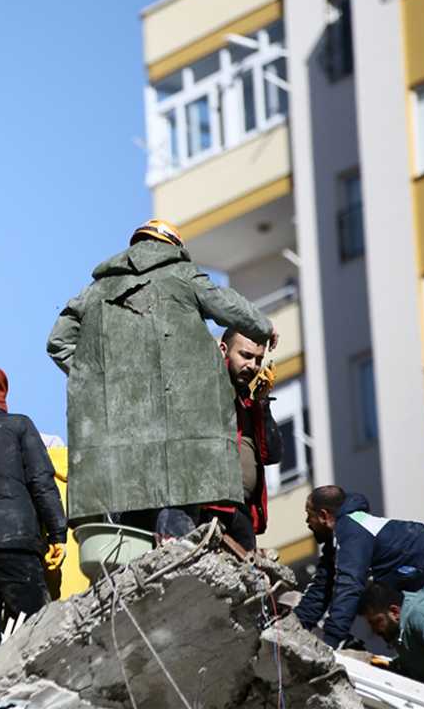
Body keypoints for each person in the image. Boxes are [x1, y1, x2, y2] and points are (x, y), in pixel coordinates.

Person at [46, 219, 275, 527]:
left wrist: (100, 379)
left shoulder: (96, 291)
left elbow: (58, 342)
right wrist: (263, 326)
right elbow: (226, 306)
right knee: (181, 512)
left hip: (125, 432)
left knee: (134, 516)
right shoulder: (184, 276)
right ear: (174, 248)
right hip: (186, 427)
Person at [0, 368, 68, 651]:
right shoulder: (18, 425)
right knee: (37, 631)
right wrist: (58, 534)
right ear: (1, 403)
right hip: (16, 541)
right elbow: (41, 482)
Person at [295, 485, 424, 648]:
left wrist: (330, 642)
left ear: (323, 515)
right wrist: (296, 625)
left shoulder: (352, 530)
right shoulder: (338, 543)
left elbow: (349, 586)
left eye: (308, 515)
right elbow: (322, 589)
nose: (306, 522)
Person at [198, 329, 283, 552]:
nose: (253, 366)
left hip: (240, 509)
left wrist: (261, 404)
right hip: (209, 505)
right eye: (245, 356)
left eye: (258, 359)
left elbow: (272, 454)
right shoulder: (205, 386)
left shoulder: (249, 400)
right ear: (223, 351)